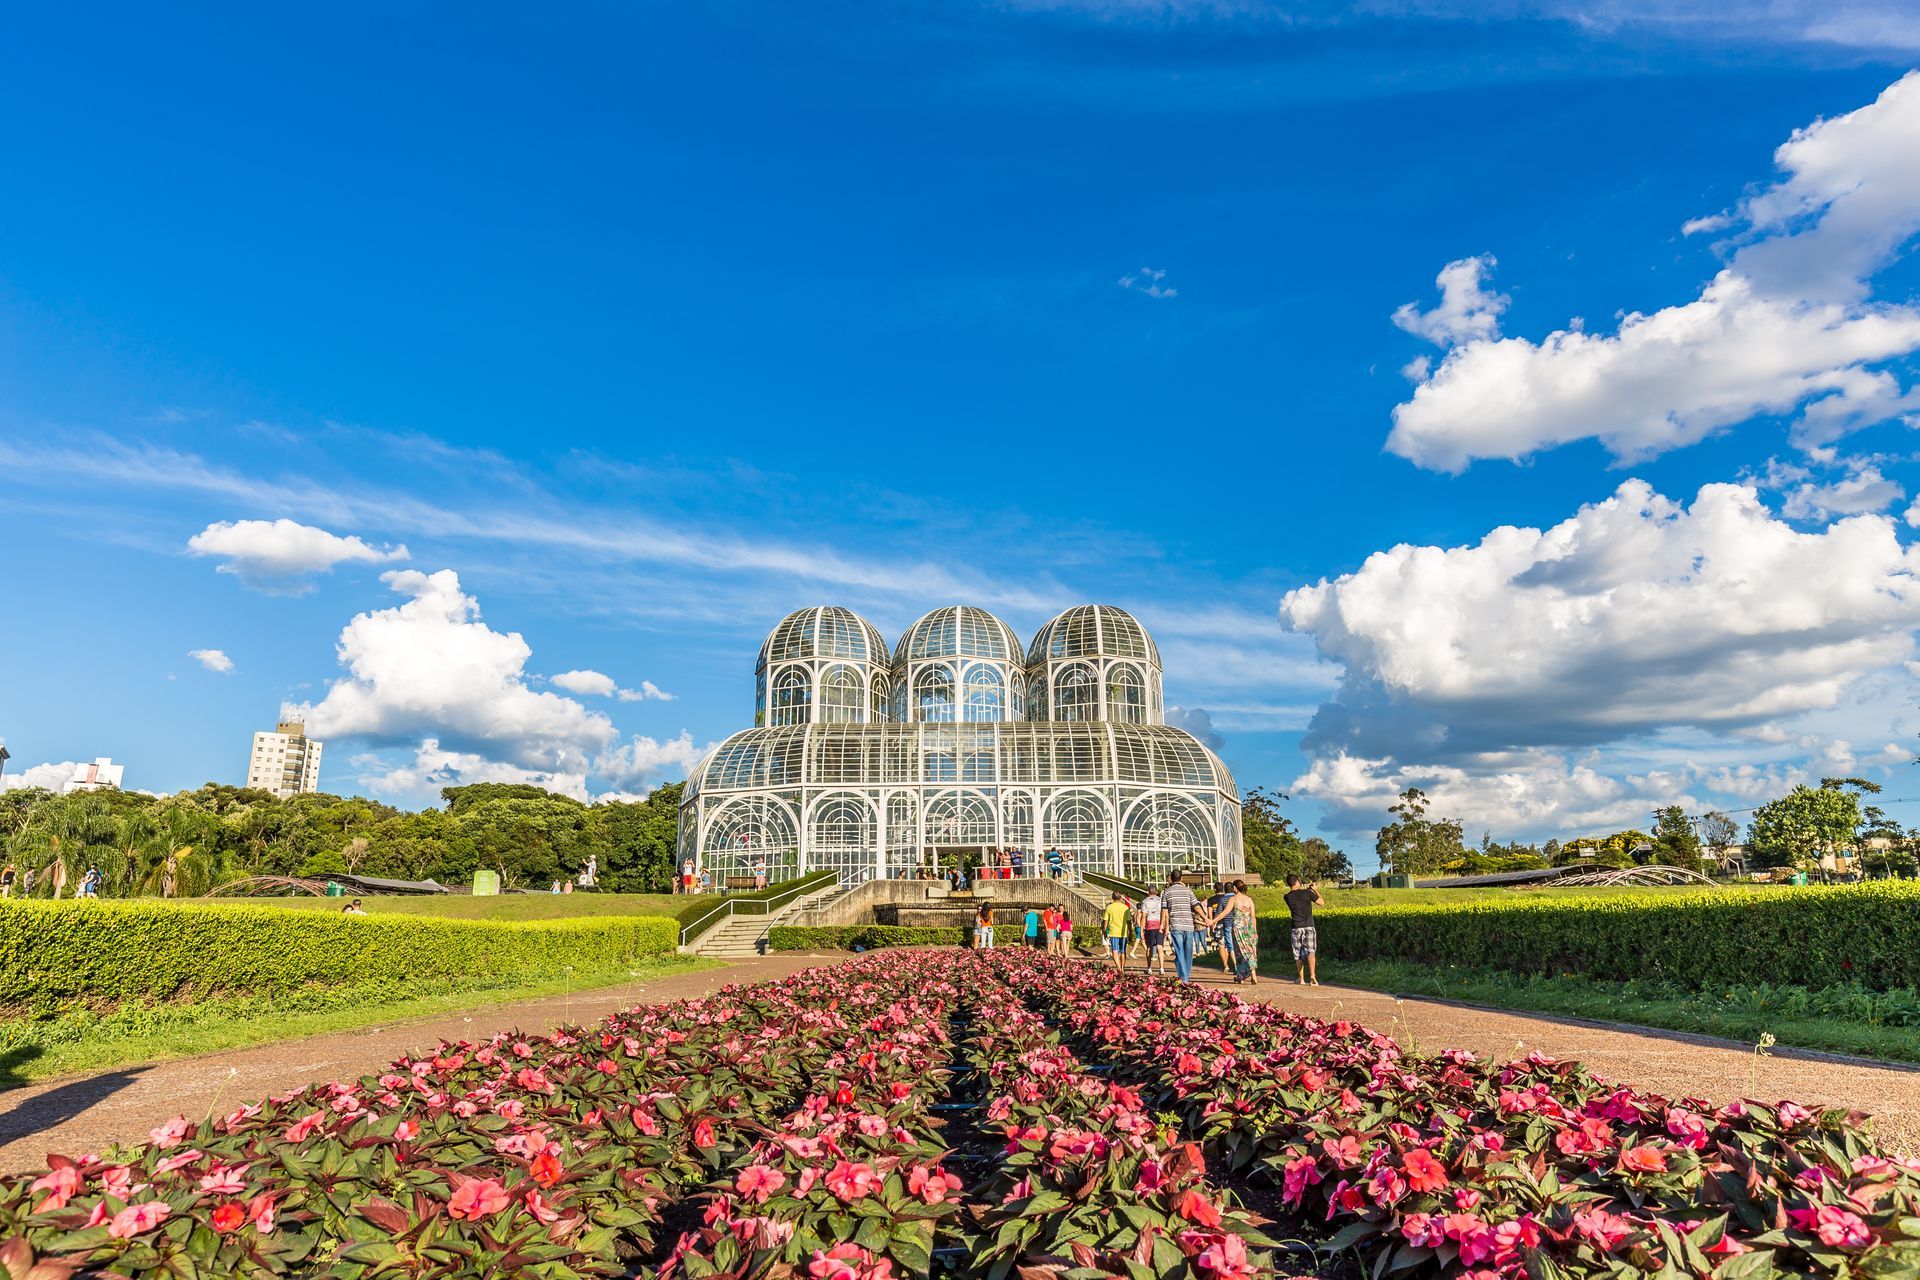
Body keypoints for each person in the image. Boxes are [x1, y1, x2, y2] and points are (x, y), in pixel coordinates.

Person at [1161, 870, 1203, 984]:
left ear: (1171, 878)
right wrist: (1206, 918)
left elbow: (1164, 911)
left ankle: (1183, 977)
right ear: (1182, 878)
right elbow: (1196, 906)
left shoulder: (1167, 892)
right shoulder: (1188, 891)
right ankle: (1185, 976)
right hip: (1188, 925)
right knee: (1188, 953)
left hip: (1176, 925)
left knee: (1179, 951)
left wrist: (1163, 926)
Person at [1284, 874, 1325, 985]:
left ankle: (1301, 979)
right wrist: (1315, 890)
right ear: (1297, 882)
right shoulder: (1307, 893)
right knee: (1310, 952)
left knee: (1298, 954)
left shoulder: (1287, 897)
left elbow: (1298, 896)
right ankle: (1312, 977)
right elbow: (1321, 902)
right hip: (1309, 926)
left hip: (1296, 927)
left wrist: (1307, 890)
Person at [1227, 880, 1260, 985]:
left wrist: (1213, 920)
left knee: (1240, 952)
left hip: (1238, 928)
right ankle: (1251, 974)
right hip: (1249, 928)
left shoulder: (1233, 899)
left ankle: (1241, 976)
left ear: (1235, 888)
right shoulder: (1249, 899)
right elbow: (1253, 916)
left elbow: (1225, 912)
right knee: (1250, 951)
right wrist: (1255, 930)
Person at [1206, 881, 1236, 975]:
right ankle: (1234, 965)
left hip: (1220, 923)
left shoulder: (1214, 900)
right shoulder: (1235, 898)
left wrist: (1212, 923)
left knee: (1222, 944)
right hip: (1234, 923)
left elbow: (1214, 913)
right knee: (1230, 945)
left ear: (1215, 889)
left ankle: (1225, 964)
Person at [1139, 885, 1166, 977]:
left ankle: (1149, 968)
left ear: (1148, 892)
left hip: (1149, 925)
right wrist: (1165, 926)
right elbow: (1164, 913)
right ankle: (1161, 968)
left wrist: (1142, 929)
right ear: (1156, 892)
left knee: (1149, 947)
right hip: (1159, 924)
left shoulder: (1144, 902)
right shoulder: (1160, 900)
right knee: (1160, 947)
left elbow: (1143, 916)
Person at [1102, 892, 1132, 972]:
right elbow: (1129, 921)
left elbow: (1105, 921)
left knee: (1114, 950)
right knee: (1123, 951)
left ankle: (1118, 967)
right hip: (1123, 932)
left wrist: (1104, 931)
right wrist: (1131, 932)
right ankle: (1122, 967)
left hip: (1113, 932)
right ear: (1121, 898)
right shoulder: (1125, 907)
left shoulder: (1109, 907)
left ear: (1112, 897)